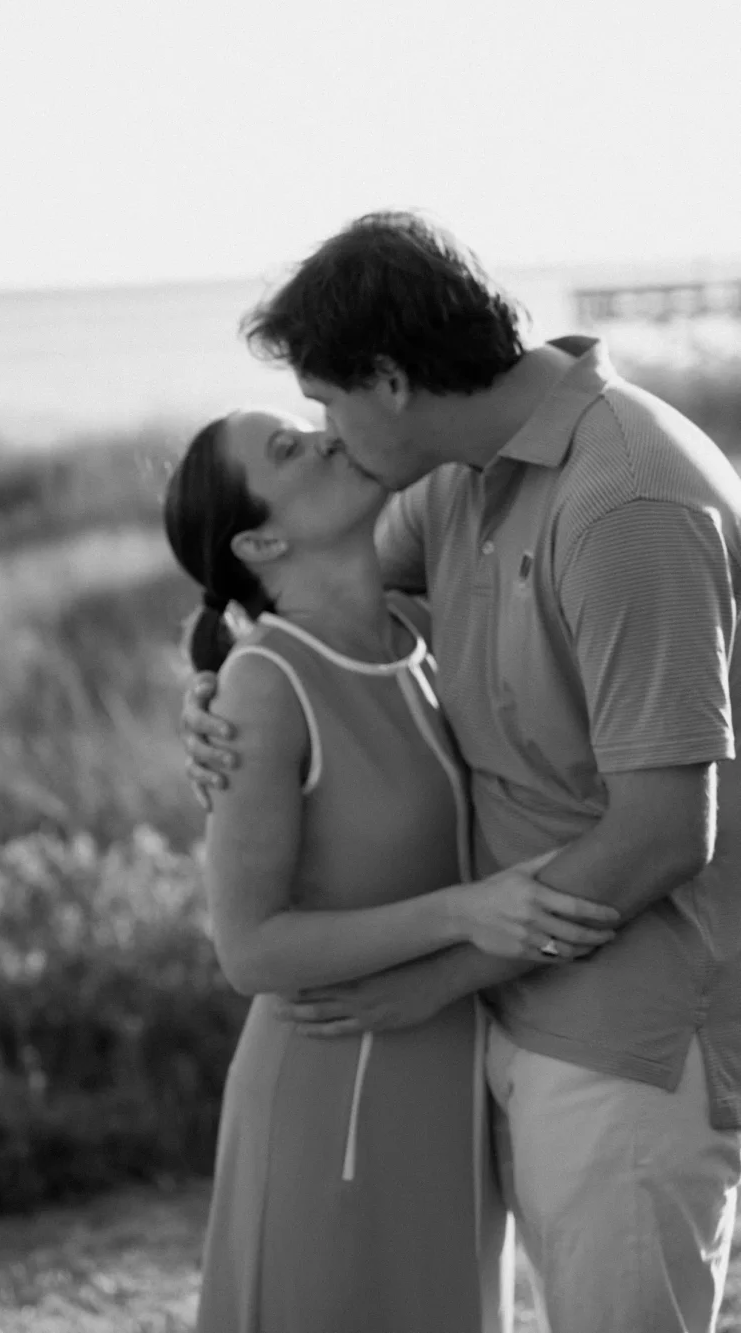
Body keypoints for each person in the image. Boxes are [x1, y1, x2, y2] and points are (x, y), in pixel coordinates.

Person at [182, 212, 741, 1333]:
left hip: (629, 1045)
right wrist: (211, 686)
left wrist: (443, 974)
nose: (328, 434)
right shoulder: (461, 484)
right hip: (516, 1022)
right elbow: (311, 610)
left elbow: (665, 831)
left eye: (327, 404)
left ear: (389, 380)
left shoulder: (625, 498)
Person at [163, 407, 617, 1333]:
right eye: (288, 450)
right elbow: (249, 949)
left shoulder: (419, 635)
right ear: (261, 538)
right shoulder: (265, 684)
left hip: (448, 1083)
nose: (326, 436)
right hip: (332, 1081)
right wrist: (464, 914)